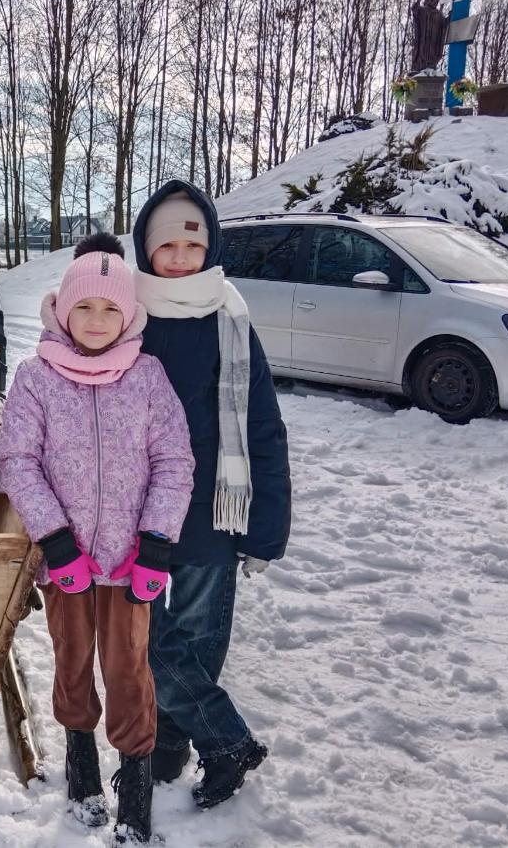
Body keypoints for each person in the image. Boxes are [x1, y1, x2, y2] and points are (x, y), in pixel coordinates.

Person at [0, 233, 194, 844]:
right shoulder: (35, 378)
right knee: (73, 659)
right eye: (84, 306)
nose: (96, 320)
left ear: (128, 314)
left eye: (111, 309)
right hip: (68, 560)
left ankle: (135, 784)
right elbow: (18, 462)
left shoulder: (148, 376)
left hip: (131, 563)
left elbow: (173, 462)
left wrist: (156, 544)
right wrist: (56, 542)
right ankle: (80, 757)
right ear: (62, 308)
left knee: (130, 669)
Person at [131, 181, 292, 809]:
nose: (179, 258)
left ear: (211, 248)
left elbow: (262, 424)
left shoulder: (230, 318)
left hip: (212, 511)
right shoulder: (124, 313)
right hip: (135, 508)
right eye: (166, 245)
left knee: (195, 642)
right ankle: (222, 739)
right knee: (143, 637)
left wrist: (267, 527)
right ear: (145, 247)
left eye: (192, 246)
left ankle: (180, 741)